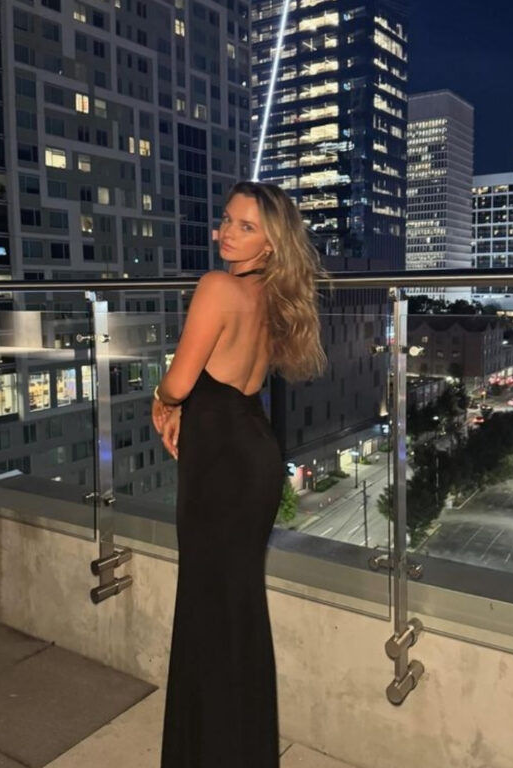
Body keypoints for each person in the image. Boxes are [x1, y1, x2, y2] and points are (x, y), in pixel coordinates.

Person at [152, 181, 328, 768]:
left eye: (245, 226)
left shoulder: (218, 287)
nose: (226, 233)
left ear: (273, 243)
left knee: (208, 607)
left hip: (221, 462)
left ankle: (206, 752)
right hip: (251, 451)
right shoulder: (272, 297)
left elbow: (180, 381)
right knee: (236, 607)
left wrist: (162, 399)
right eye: (225, 220)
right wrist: (183, 405)